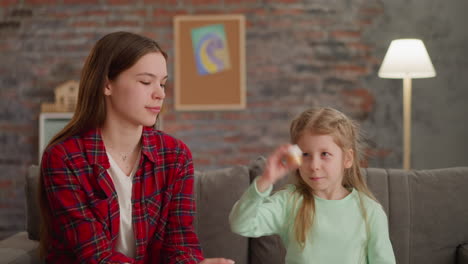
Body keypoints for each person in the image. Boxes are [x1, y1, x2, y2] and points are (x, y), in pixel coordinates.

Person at [38, 31, 234, 264]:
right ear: (107, 84)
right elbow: (94, 256)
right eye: (145, 82)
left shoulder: (176, 156)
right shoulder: (63, 158)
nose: (160, 94)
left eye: (162, 83)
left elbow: (180, 244)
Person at [229, 107, 396, 264]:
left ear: (347, 159)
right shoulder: (289, 202)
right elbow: (241, 224)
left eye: (325, 154)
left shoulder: (370, 212)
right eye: (306, 155)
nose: (314, 165)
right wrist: (266, 179)